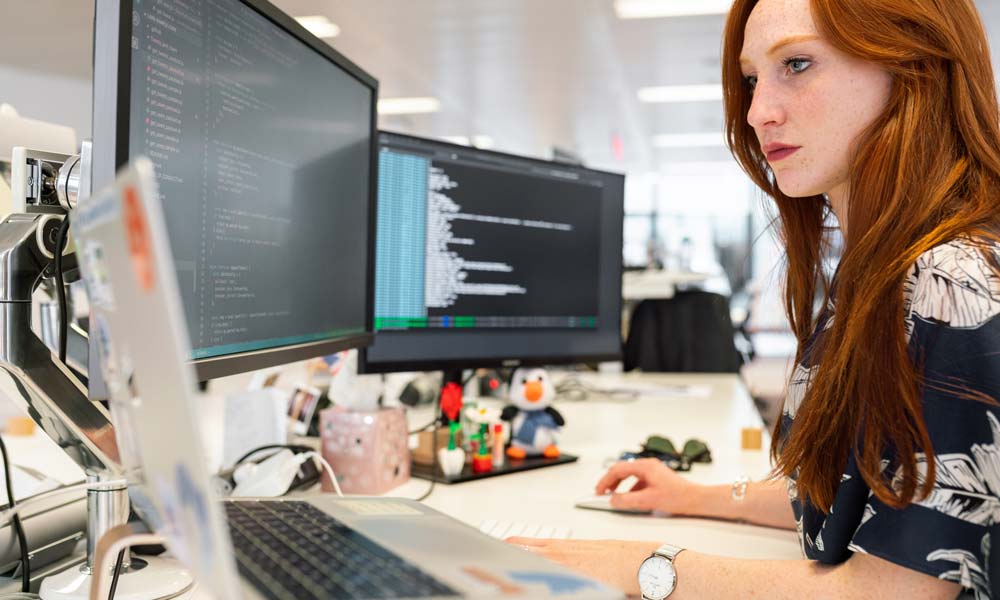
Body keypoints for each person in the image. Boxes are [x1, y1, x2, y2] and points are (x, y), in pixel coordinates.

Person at [508, 0, 1000, 597]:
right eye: (750, 79)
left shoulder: (955, 281)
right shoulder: (880, 271)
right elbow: (858, 494)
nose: (757, 112)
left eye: (796, 63)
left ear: (914, 64)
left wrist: (642, 568)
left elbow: (897, 589)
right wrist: (694, 497)